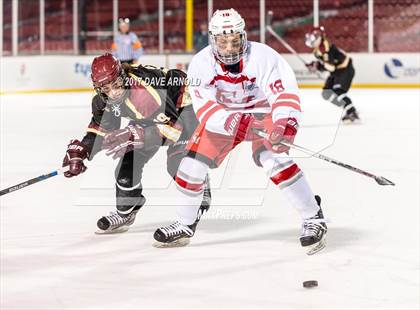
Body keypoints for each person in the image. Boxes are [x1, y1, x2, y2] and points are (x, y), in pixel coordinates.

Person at [153, 9, 327, 255]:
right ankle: (184, 224)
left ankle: (313, 217)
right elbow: (205, 109)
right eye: (223, 41)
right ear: (213, 39)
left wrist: (284, 123)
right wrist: (232, 121)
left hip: (263, 112)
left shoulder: (264, 57)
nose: (230, 46)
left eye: (235, 39)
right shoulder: (201, 63)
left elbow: (284, 94)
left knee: (274, 160)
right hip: (225, 117)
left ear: (244, 36)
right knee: (190, 166)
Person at [62, 53, 210, 234]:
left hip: (183, 110)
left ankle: (198, 184)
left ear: (123, 77)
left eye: (116, 84)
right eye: (105, 88)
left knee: (178, 165)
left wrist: (139, 135)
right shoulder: (103, 100)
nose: (113, 93)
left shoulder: (143, 94)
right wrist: (82, 150)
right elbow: (101, 131)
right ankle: (127, 211)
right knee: (125, 172)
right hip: (150, 117)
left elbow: (173, 130)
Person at [305, 26, 360, 123]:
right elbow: (328, 65)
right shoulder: (318, 50)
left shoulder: (325, 48)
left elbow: (330, 67)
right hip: (337, 71)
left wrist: (317, 66)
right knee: (326, 93)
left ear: (319, 37)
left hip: (345, 70)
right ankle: (348, 107)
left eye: (313, 37)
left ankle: (352, 112)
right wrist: (315, 65)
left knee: (338, 91)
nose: (311, 40)